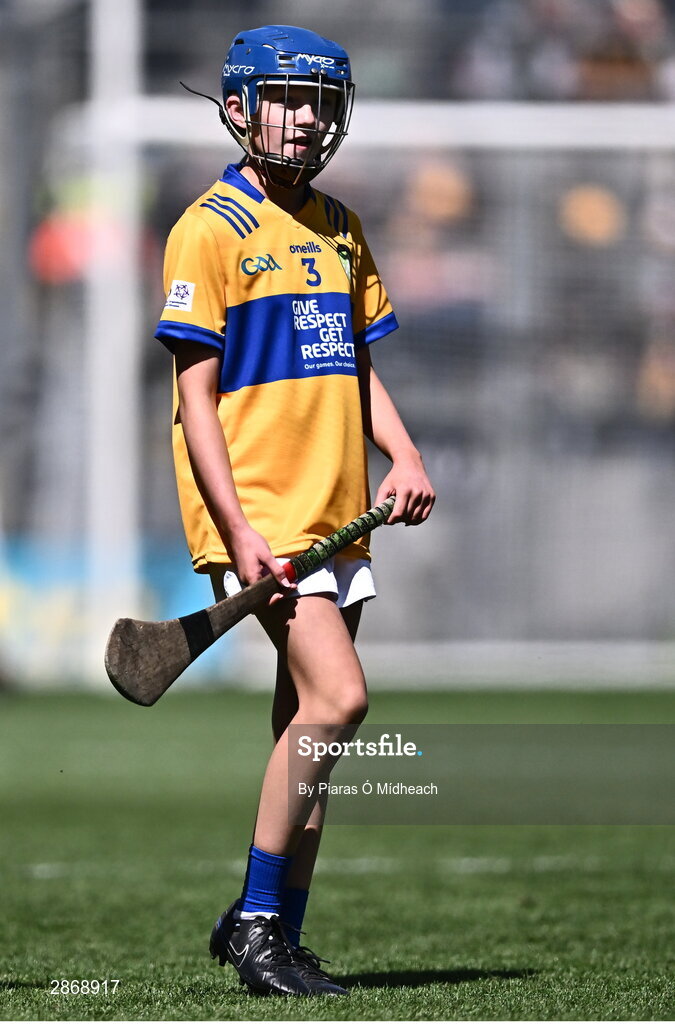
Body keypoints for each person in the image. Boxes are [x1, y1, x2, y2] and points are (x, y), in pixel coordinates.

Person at [155, 24, 435, 997]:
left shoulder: (341, 224)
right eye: (288, 98)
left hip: (337, 509)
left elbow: (355, 368)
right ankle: (261, 924)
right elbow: (196, 398)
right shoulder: (211, 228)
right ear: (239, 108)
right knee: (340, 700)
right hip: (263, 514)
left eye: (320, 100)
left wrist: (402, 452)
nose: (306, 117)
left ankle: (272, 925)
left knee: (305, 728)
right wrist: (239, 533)